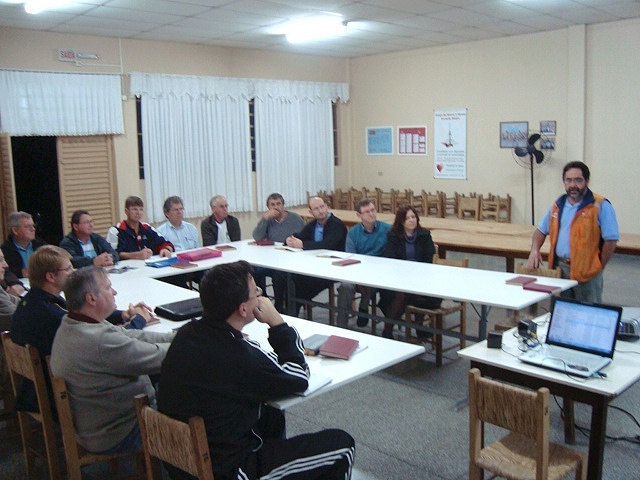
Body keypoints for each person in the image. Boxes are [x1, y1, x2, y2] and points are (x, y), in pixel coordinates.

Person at [158, 260, 354, 480]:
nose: (261, 296)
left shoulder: (188, 332)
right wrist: (278, 323)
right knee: (342, 445)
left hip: (183, 464)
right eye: (256, 292)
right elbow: (299, 378)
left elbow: (249, 367)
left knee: (271, 415)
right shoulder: (237, 356)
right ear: (243, 309)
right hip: (230, 470)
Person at [11, 246, 153, 413]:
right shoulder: (52, 316)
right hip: (63, 395)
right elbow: (106, 338)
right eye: (68, 268)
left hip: (34, 387)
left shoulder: (33, 301)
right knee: (145, 369)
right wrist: (138, 320)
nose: (74, 272)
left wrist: (122, 314)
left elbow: (81, 313)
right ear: (50, 276)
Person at [50, 266, 174, 454]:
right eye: (108, 287)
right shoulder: (98, 341)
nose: (114, 291)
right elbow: (156, 357)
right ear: (91, 298)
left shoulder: (75, 323)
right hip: (119, 431)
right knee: (198, 409)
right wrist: (193, 343)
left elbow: (133, 336)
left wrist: (178, 336)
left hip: (98, 424)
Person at [527, 161, 619, 304]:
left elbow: (611, 240)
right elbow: (540, 231)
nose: (573, 185)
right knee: (561, 312)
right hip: (560, 270)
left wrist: (599, 265)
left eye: (578, 180)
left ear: (587, 181)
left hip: (587, 272)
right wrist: (534, 250)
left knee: (588, 312)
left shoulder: (600, 206)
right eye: (568, 180)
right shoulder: (558, 205)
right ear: (564, 182)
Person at [379, 205, 441, 339]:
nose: (411, 220)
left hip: (421, 277)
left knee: (404, 295)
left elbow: (428, 259)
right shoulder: (393, 235)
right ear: (401, 221)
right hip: (398, 276)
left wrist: (416, 273)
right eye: (407, 218)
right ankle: (418, 327)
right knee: (399, 293)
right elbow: (390, 257)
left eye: (413, 217)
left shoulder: (424, 235)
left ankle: (388, 330)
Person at [285, 197, 347, 316]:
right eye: (316, 209)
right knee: (290, 277)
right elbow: (300, 235)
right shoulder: (313, 225)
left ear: (327, 206)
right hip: (314, 266)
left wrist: (303, 245)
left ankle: (293, 312)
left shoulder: (337, 224)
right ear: (311, 212)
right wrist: (289, 240)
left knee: (301, 284)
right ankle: (290, 310)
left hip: (332, 268)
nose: (321, 210)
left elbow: (327, 245)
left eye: (322, 207)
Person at [337, 198, 391, 328]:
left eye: (373, 210)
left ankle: (364, 307)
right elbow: (351, 259)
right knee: (345, 286)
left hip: (380, 273)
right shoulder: (353, 233)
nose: (371, 214)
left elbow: (392, 255)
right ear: (358, 215)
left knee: (371, 282)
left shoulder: (388, 230)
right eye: (366, 212)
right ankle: (341, 326)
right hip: (358, 272)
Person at [251, 193, 305, 312]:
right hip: (271, 259)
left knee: (278, 276)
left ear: (283, 205)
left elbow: (305, 237)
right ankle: (263, 302)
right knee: (253, 270)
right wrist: (265, 218)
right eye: (273, 205)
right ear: (268, 207)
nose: (276, 207)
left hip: (290, 259)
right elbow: (257, 236)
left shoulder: (295, 218)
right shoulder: (268, 220)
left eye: (278, 204)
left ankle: (279, 306)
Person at [107, 196, 174, 260]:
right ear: (126, 211)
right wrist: (137, 255)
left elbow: (165, 243)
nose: (138, 213)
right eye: (134, 209)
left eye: (141, 209)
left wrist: (166, 249)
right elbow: (113, 254)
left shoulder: (147, 228)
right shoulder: (116, 231)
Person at [1, 211, 47, 278]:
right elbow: (6, 273)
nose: (33, 229)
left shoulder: (41, 246)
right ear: (15, 230)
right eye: (28, 226)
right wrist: (21, 273)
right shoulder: (5, 250)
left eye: (33, 226)